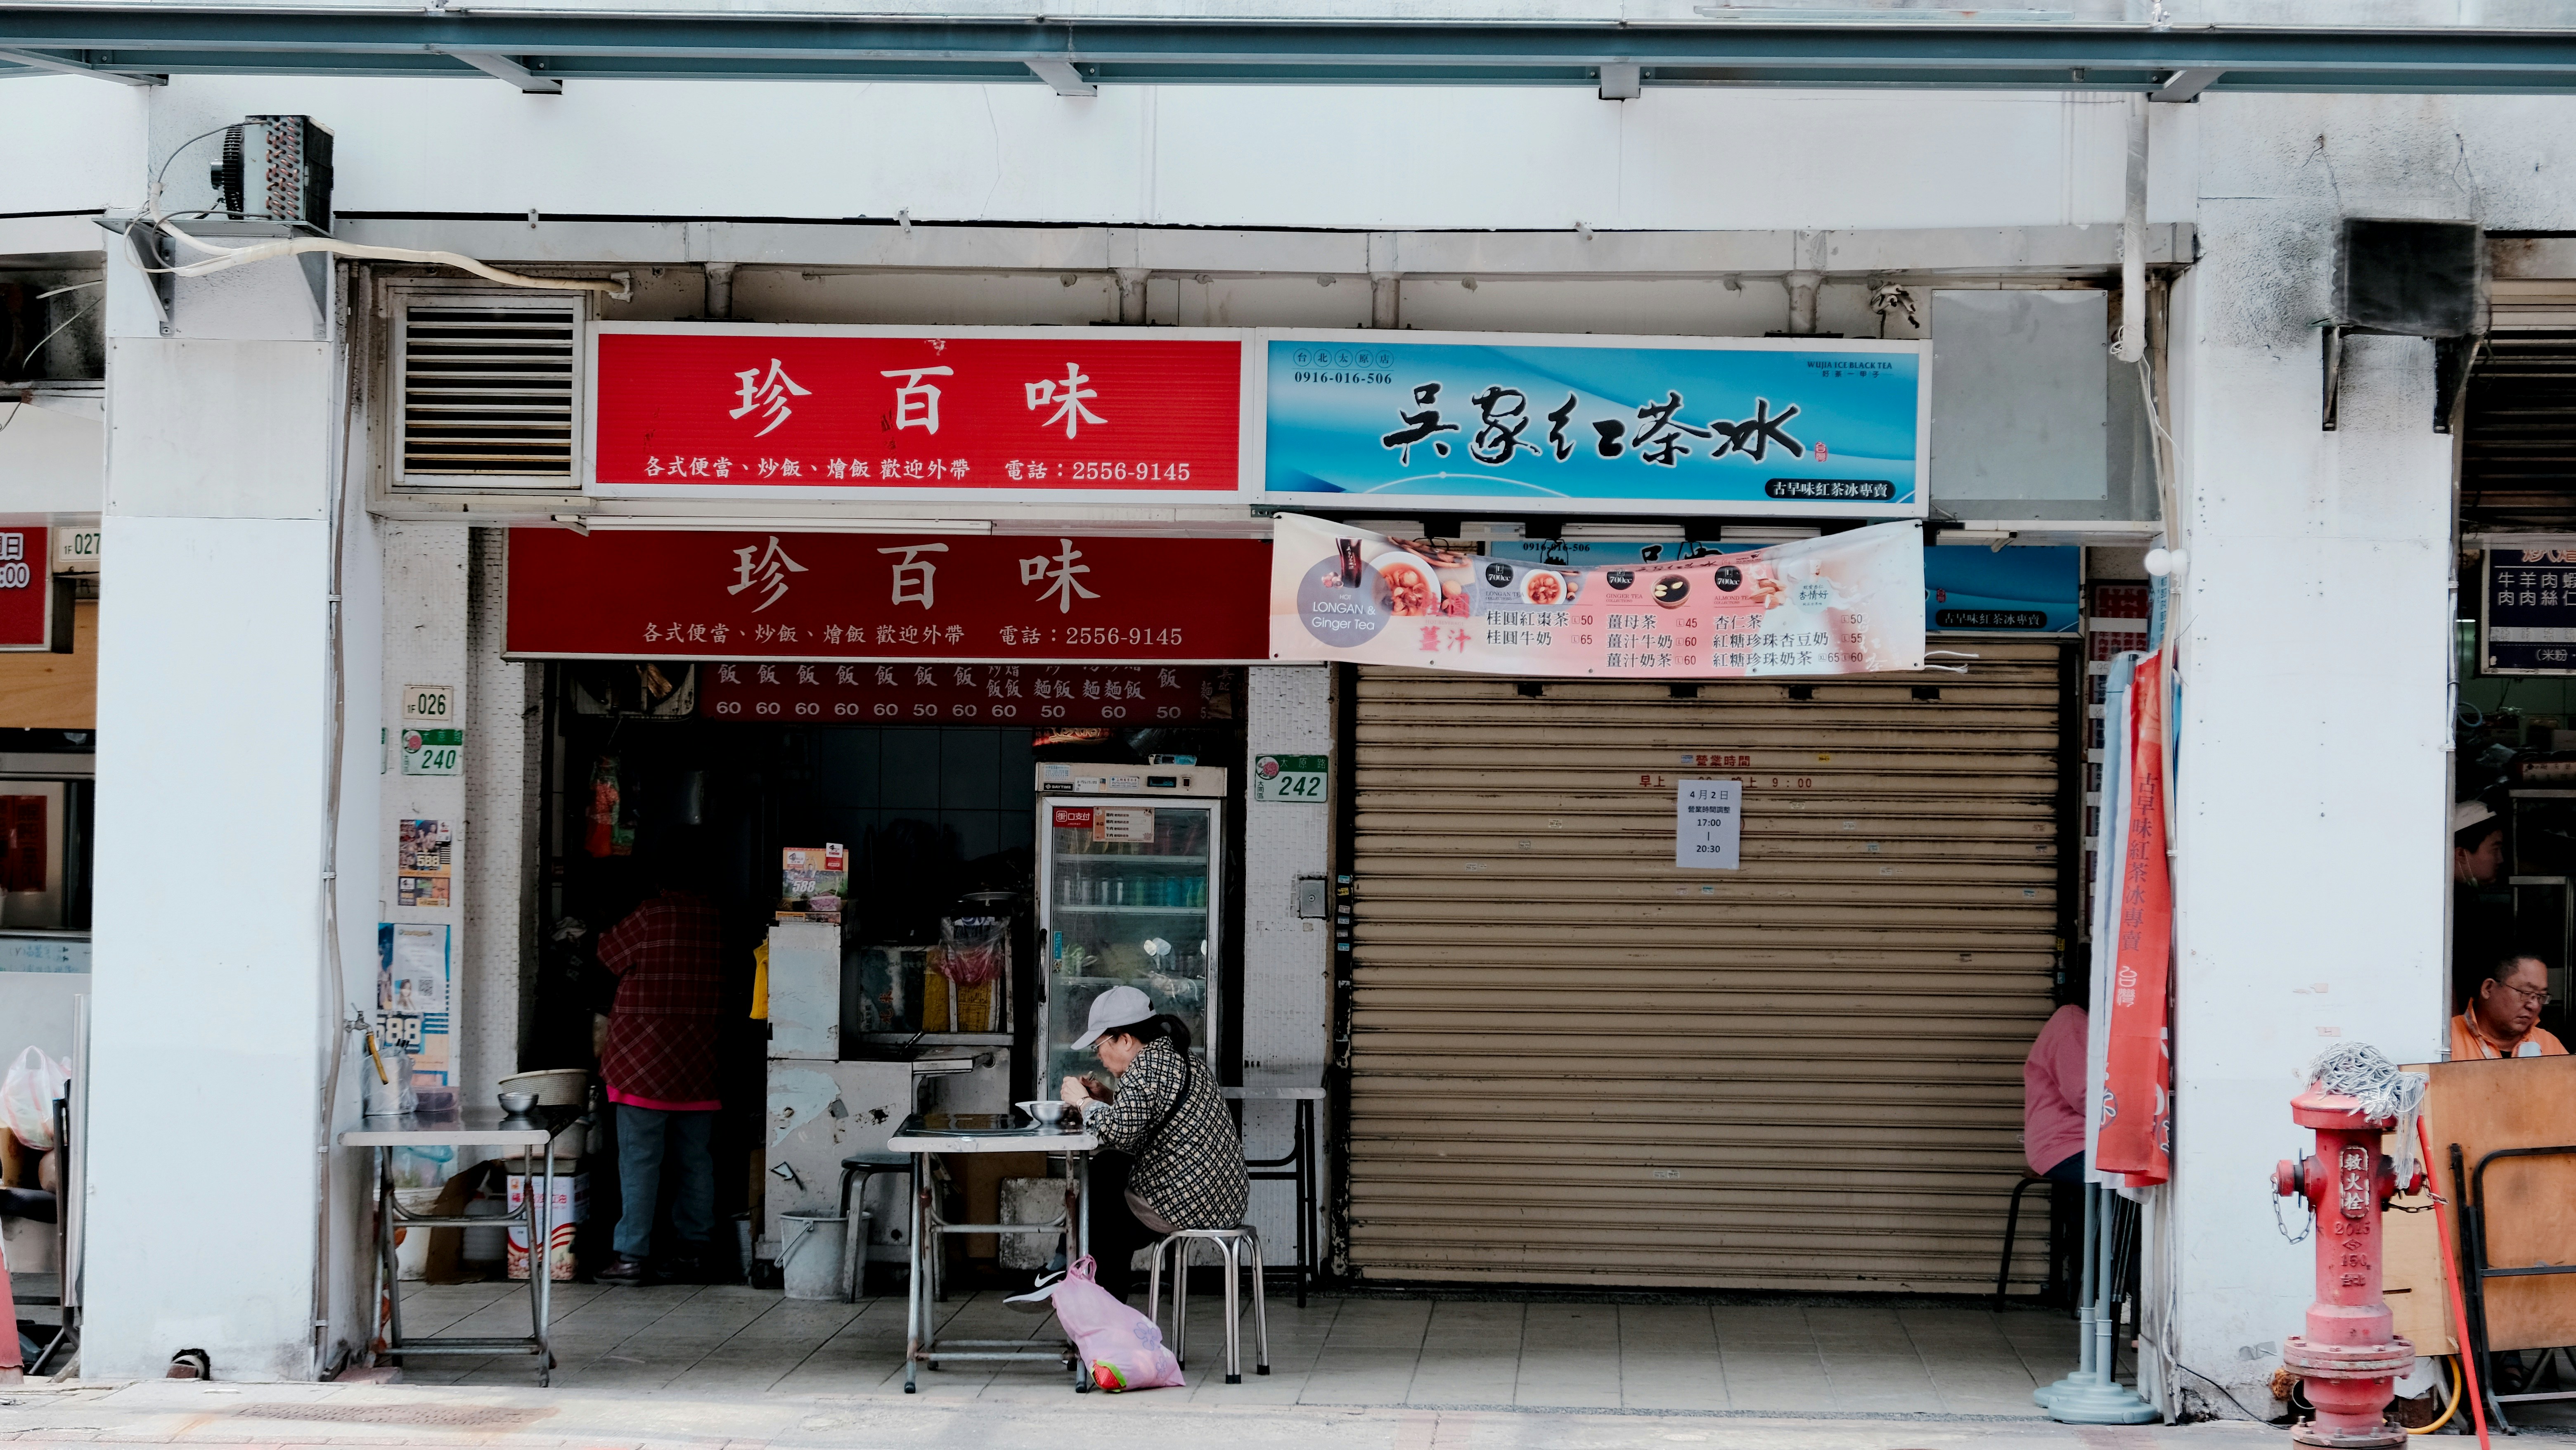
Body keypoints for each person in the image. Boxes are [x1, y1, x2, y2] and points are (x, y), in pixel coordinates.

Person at [1052, 985, 1248, 1303]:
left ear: (1126, 1040)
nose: (1098, 1056)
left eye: (1100, 1045)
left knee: (1099, 1224)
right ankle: (1070, 1275)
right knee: (1108, 1170)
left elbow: (1119, 1133)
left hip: (1187, 1203)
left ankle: (1098, 1319)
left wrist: (1084, 1102)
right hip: (1224, 1199)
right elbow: (1150, 1119)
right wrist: (1109, 1098)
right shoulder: (1179, 1056)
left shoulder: (1144, 1068)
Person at [593, 840, 727, 1284]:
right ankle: (695, 1250)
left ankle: (631, 1255)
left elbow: (607, 954)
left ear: (660, 878)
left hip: (641, 1063)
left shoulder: (651, 914)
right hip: (697, 1062)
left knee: (639, 1160)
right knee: (695, 1160)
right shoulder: (716, 918)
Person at [2451, 951, 2568, 1061]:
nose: (2534, 1006)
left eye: (2541, 996)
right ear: (2488, 989)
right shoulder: (2446, 1039)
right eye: (2526, 993)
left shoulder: (2549, 1044)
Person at [2454, 801, 2511, 1011]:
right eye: (2494, 849)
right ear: (2461, 854)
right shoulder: (2447, 908)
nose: (2500, 859)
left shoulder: (2466, 898)